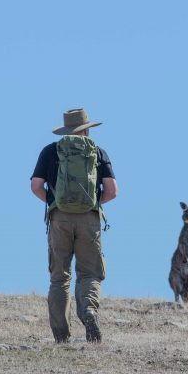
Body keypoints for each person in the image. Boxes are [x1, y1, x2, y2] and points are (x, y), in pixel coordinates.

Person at [30, 108, 118, 343]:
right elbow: (112, 191)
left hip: (59, 218)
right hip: (89, 218)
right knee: (89, 273)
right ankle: (88, 311)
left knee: (59, 278)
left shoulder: (50, 151)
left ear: (66, 129)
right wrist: (93, 203)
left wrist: (53, 202)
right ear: (86, 129)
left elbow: (36, 186)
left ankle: (61, 337)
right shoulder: (97, 152)